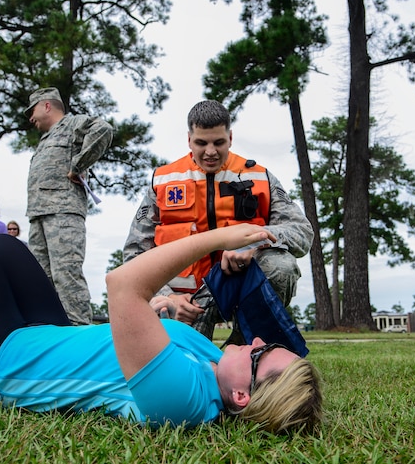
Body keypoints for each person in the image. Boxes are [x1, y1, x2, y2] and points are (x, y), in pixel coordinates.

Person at [0, 222, 321, 434]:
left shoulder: (183, 400)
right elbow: (142, 329)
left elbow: (121, 286)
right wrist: (165, 305)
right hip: (49, 334)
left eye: (261, 354)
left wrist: (220, 236)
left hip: (0, 361)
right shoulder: (218, 366)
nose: (256, 339)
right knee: (3, 246)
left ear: (242, 397)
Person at [123, 100, 314, 340]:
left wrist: (255, 242)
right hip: (184, 302)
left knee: (281, 266)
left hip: (241, 289)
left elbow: (301, 232)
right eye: (201, 143)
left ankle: (248, 348)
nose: (210, 152)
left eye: (219, 142)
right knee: (183, 371)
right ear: (189, 139)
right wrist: (167, 296)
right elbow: (134, 254)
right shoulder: (163, 181)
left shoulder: (260, 177)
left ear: (230, 137)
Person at [25, 87, 114, 325]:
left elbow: (103, 129)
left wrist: (78, 164)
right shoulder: (46, 138)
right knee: (41, 281)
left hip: (63, 213)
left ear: (46, 105)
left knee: (66, 277)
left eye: (32, 110)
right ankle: (50, 334)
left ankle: (80, 334)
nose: (30, 118)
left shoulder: (72, 124)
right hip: (38, 216)